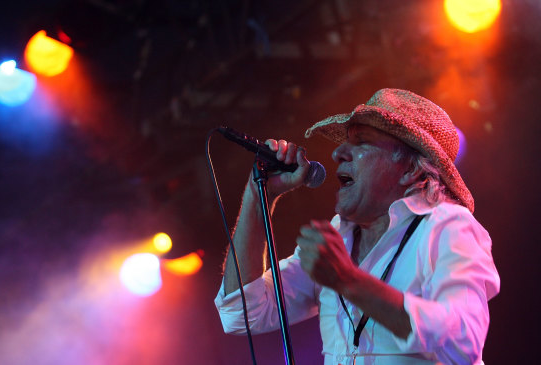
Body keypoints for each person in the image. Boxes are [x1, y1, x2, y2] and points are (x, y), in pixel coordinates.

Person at [214, 88, 500, 365]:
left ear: (411, 169)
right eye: (345, 141)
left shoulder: (448, 228)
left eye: (361, 142)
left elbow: (464, 341)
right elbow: (242, 313)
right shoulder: (340, 233)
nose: (338, 152)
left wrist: (348, 281)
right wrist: (259, 193)